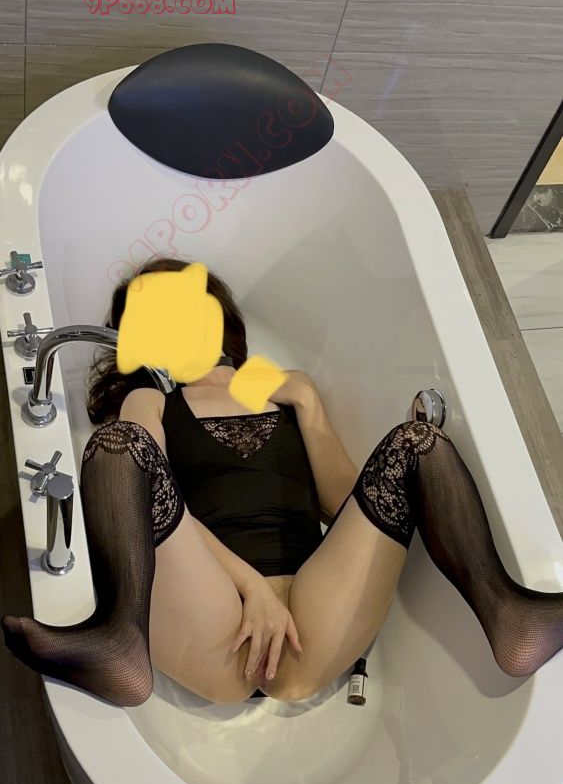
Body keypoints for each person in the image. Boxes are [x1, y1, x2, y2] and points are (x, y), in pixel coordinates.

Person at [2, 257, 563, 707]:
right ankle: (119, 641)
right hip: (215, 621)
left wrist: (308, 404)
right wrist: (252, 590)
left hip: (312, 617)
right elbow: (153, 512)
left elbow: (349, 505)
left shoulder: (287, 389)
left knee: (416, 443)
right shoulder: (151, 399)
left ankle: (510, 618)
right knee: (119, 445)